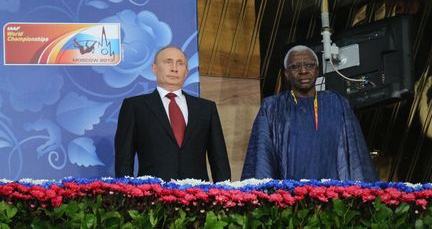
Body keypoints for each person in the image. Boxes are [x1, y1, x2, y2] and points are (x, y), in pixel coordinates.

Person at [241, 45, 377, 181]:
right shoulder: (271, 107)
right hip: (289, 196)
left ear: (317, 71)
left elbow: (355, 157)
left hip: (333, 195)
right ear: (286, 74)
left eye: (309, 65)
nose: (303, 71)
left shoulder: (337, 103)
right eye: (295, 67)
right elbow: (261, 159)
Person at [115, 46, 231, 182]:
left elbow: (219, 159)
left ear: (186, 71)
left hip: (198, 196)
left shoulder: (206, 108)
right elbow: (124, 159)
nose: (174, 68)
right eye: (168, 62)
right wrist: (126, 194)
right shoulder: (135, 107)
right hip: (152, 196)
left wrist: (225, 194)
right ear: (154, 68)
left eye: (180, 63)